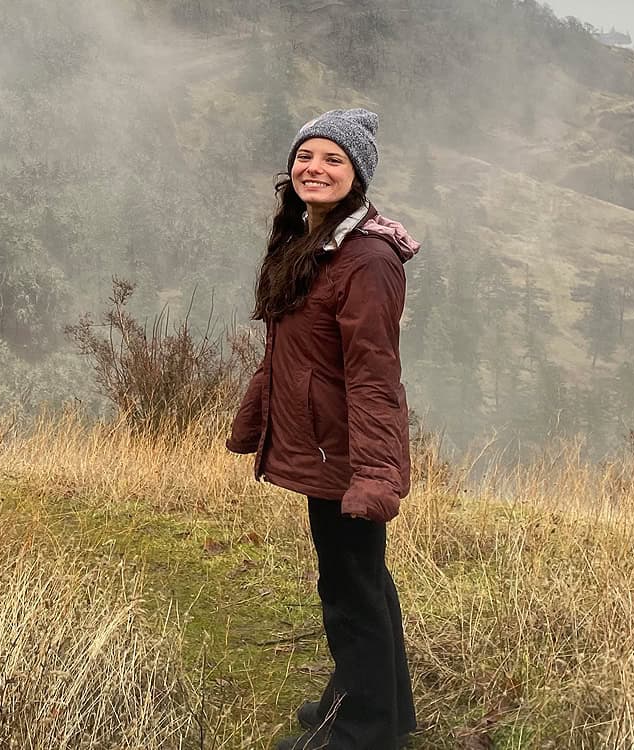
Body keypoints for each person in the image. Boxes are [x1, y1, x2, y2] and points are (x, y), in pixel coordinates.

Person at [226, 108, 420, 750]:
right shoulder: (313, 241)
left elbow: (373, 376)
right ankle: (371, 708)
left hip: (342, 448)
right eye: (307, 155)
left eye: (334, 159)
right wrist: (259, 414)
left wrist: (373, 472)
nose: (316, 167)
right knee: (360, 578)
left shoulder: (366, 260)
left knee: (349, 588)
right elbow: (292, 349)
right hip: (323, 439)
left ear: (357, 176)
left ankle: (363, 736)